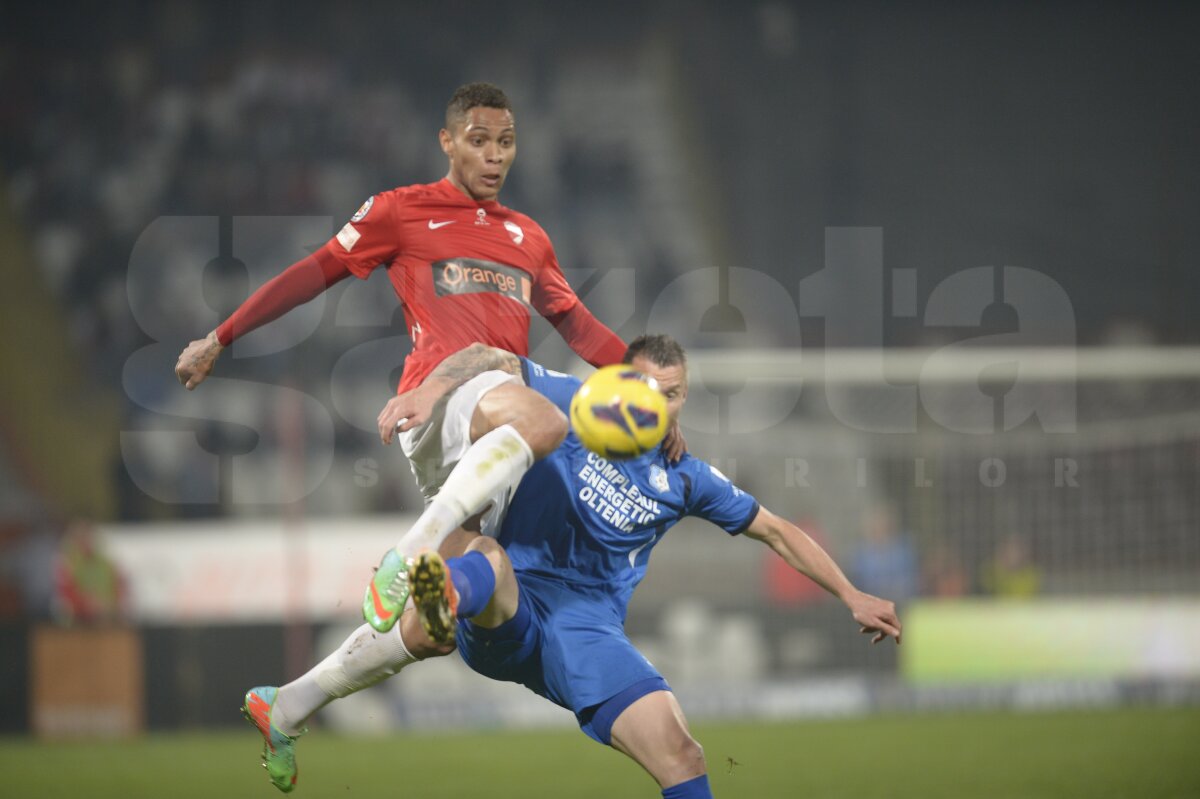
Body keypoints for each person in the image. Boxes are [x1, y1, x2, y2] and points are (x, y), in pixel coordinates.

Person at [242, 336, 901, 796]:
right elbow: (492, 357)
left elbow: (776, 529)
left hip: (587, 631)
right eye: (645, 388)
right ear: (618, 382)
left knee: (683, 754)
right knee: (490, 559)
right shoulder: (571, 404)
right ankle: (440, 585)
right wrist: (436, 385)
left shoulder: (687, 476)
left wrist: (850, 592)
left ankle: (318, 684)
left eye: (673, 394)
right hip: (513, 601)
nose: (659, 404)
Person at [175, 83, 680, 631]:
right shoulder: (400, 211)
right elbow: (312, 273)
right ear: (447, 141)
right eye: (479, 140)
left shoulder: (528, 237)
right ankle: (412, 548)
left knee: (456, 608)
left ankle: (291, 700)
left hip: (494, 437)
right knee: (548, 418)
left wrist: (646, 396)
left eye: (506, 142)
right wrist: (221, 337)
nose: (494, 155)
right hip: (441, 401)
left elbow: (578, 325)